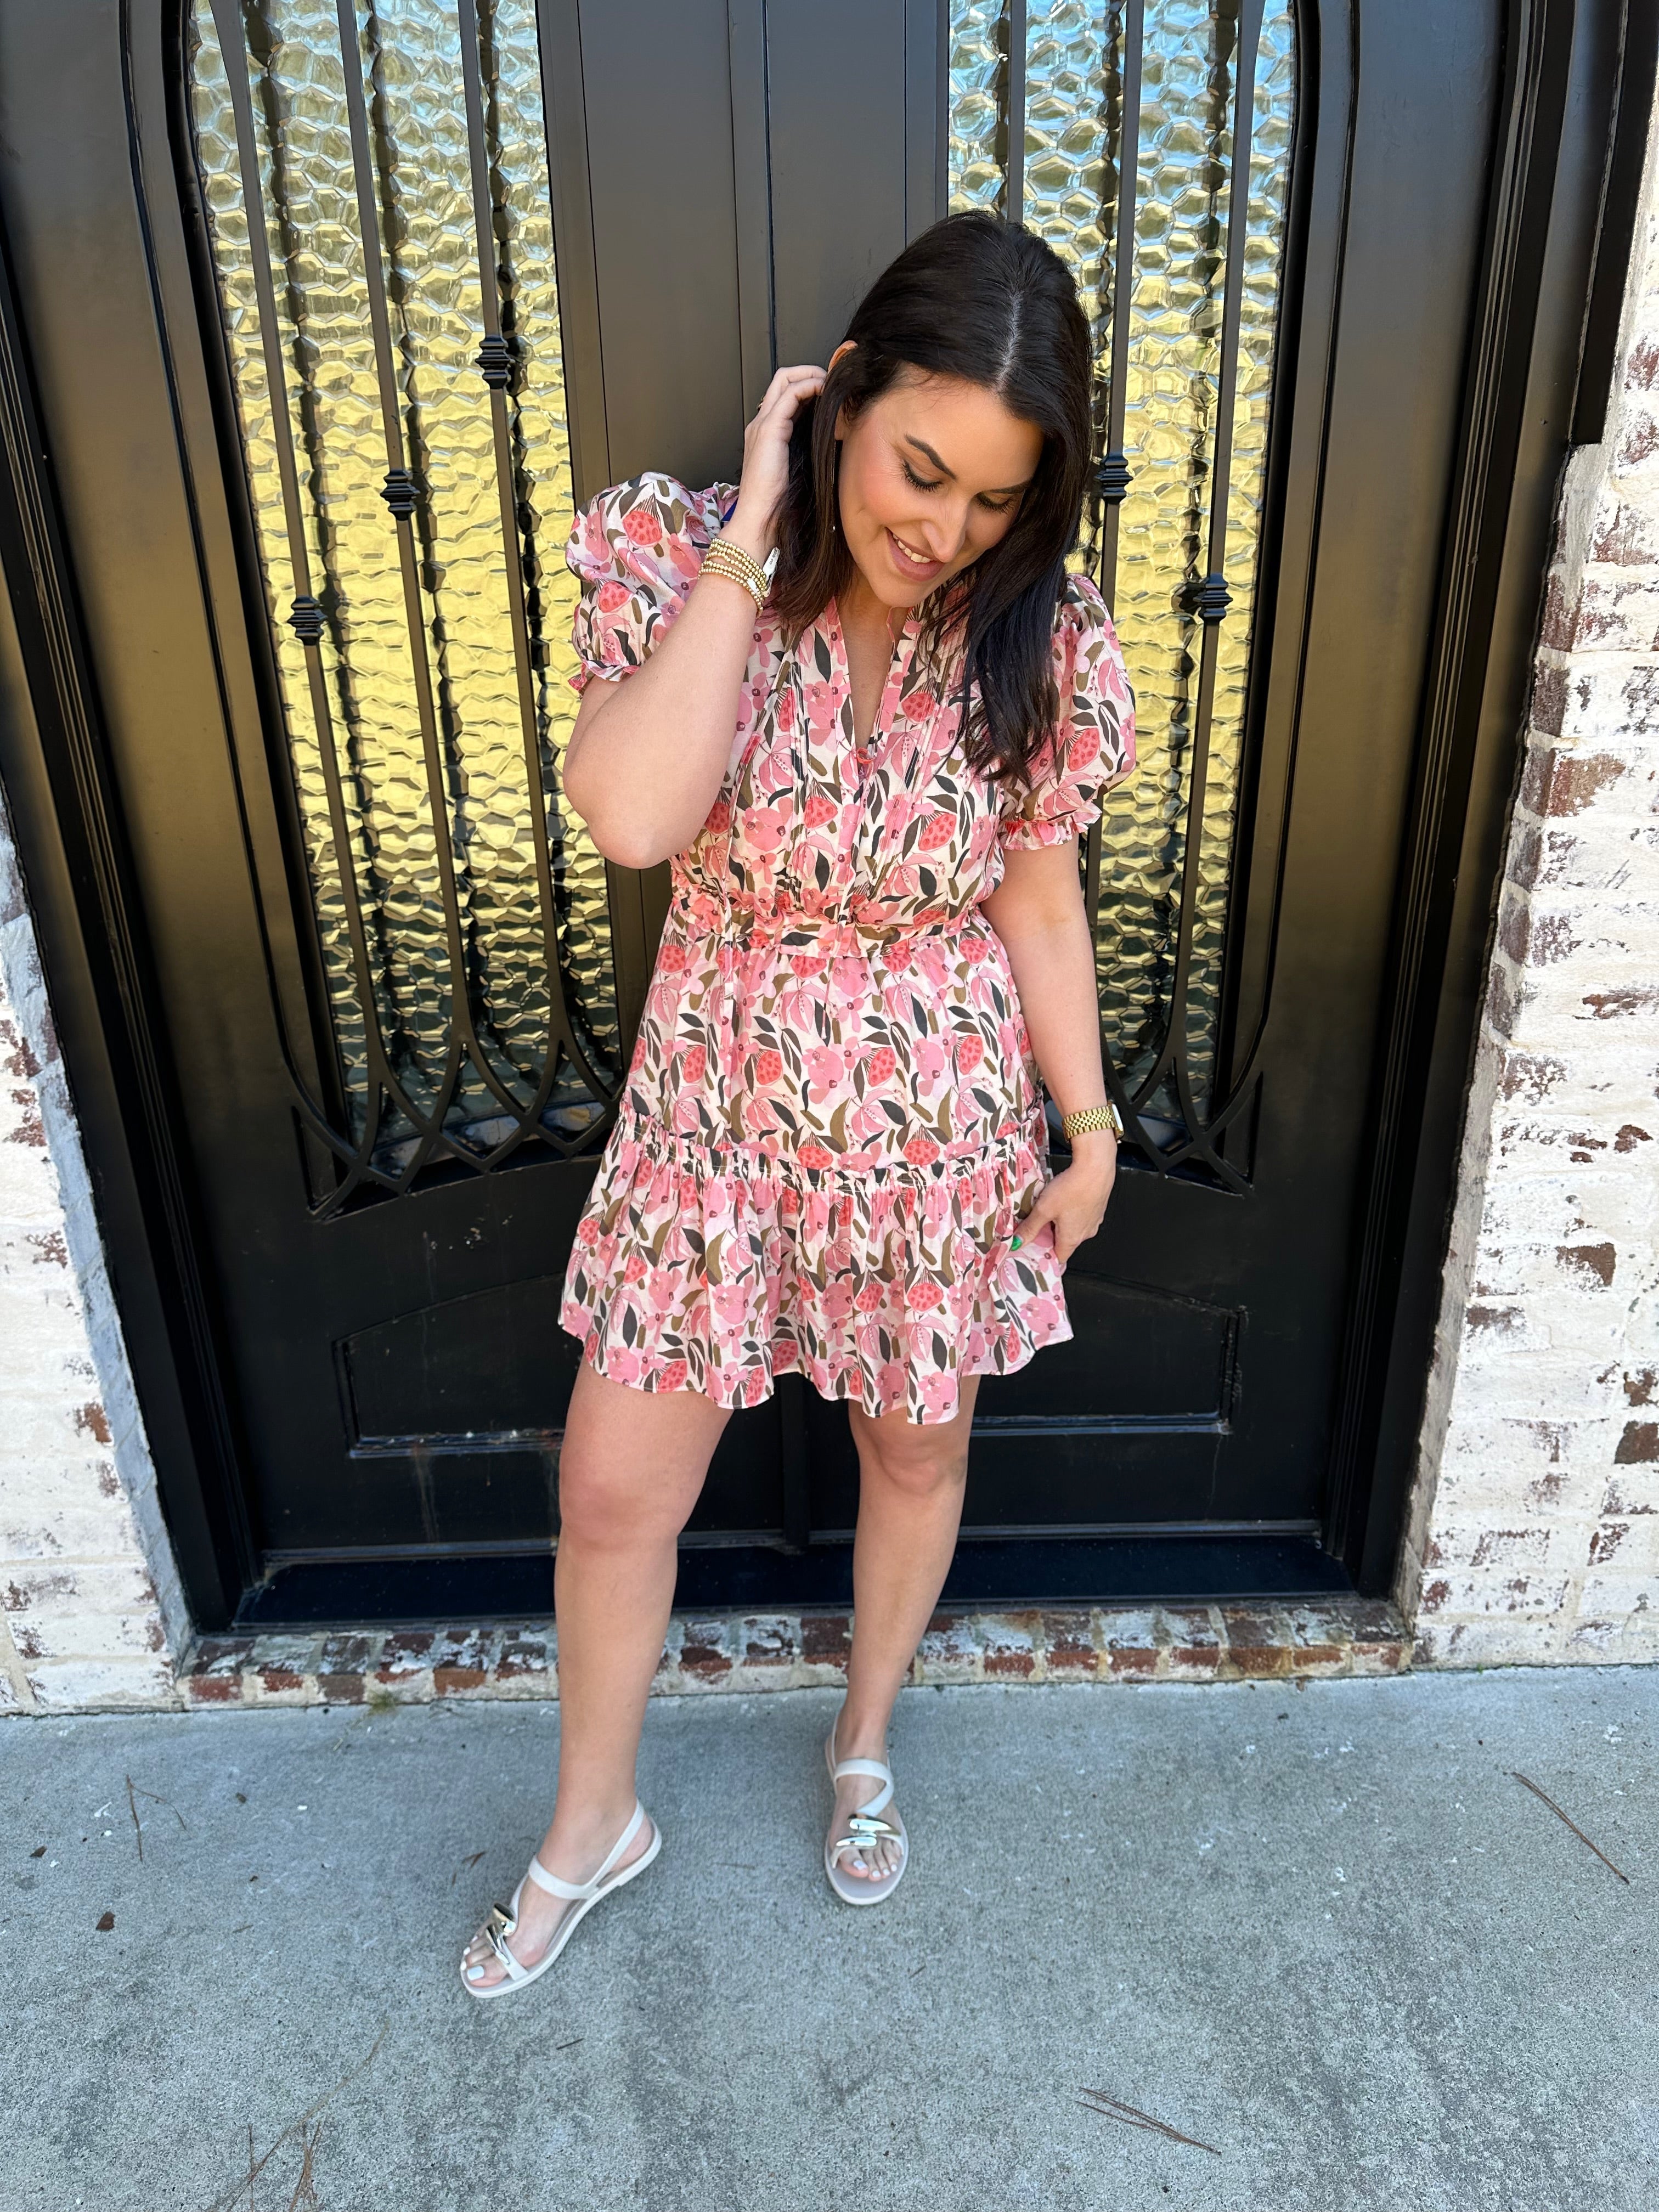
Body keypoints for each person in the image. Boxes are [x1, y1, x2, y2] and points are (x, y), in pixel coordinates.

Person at [462, 210, 1135, 1995]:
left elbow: (1036, 897)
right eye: (921, 468)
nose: (943, 530)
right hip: (710, 1118)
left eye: (993, 500)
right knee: (614, 1491)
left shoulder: (1035, 634)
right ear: (842, 396)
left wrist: (1088, 1128)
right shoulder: (680, 559)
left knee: (915, 1450)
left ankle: (863, 1737)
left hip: (936, 1125)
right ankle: (593, 1820)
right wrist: (751, 536)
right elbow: (633, 816)